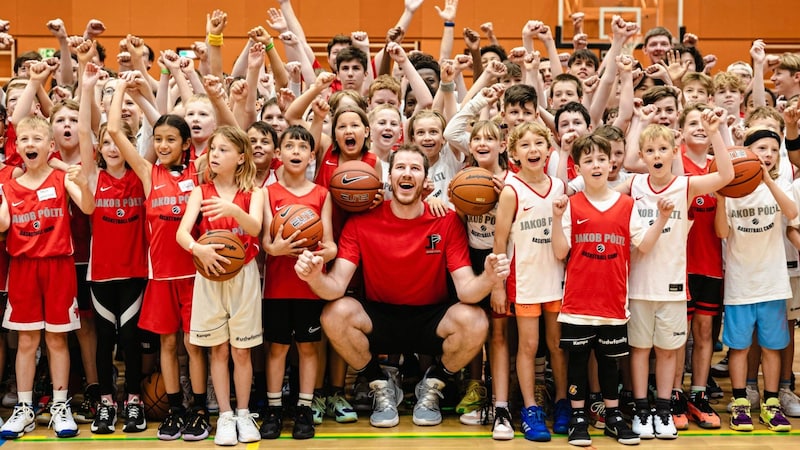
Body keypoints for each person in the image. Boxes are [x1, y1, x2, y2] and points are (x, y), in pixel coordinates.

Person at [294, 144, 510, 429]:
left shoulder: (445, 221)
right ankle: (379, 383)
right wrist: (313, 277)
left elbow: (467, 290)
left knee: (476, 320)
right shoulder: (361, 221)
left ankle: (433, 385)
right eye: (400, 167)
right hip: (380, 318)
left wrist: (490, 277)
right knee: (334, 313)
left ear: (424, 179)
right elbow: (335, 287)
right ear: (389, 177)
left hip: (430, 318)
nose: (407, 173)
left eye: (415, 168)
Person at [550, 133, 674, 447]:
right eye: (588, 160)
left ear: (611, 163)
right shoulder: (572, 205)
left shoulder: (627, 205)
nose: (596, 165)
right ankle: (579, 417)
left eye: (601, 159)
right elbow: (560, 251)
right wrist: (555, 217)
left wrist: (661, 219)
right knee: (577, 363)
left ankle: (614, 417)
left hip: (613, 302)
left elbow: (643, 244)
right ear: (577, 168)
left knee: (609, 363)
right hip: (578, 301)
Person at [108, 80, 210, 442]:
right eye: (158, 139)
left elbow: (227, 124)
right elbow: (114, 132)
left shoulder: (201, 172)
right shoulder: (150, 175)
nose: (163, 145)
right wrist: (120, 88)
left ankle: (199, 409)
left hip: (196, 277)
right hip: (162, 278)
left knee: (194, 346)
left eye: (170, 139)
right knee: (168, 345)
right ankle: (175, 410)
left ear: (186, 144)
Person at [619, 115, 733, 440]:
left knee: (668, 351)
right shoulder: (633, 185)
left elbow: (727, 175)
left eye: (663, 149)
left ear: (674, 152)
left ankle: (664, 409)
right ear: (641, 157)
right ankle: (642, 409)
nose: (656, 155)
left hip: (672, 286)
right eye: (650, 150)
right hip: (639, 285)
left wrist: (714, 135)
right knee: (640, 350)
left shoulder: (685, 186)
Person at [0, 116, 95, 439]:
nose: (30, 145)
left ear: (49, 146)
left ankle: (59, 404)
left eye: (37, 140)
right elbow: (1, 225)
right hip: (24, 268)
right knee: (27, 341)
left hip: (58, 266)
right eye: (24, 140)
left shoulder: (60, 178)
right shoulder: (7, 186)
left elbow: (88, 205)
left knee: (56, 339)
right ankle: (24, 408)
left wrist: (81, 182)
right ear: (16, 147)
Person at [177, 126, 264, 446]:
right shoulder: (200, 191)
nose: (215, 155)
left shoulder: (256, 191)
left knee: (242, 352)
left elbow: (255, 227)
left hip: (243, 274)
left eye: (224, 150)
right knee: (218, 348)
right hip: (210, 274)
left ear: (241, 157)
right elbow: (182, 234)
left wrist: (234, 210)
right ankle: (225, 416)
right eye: (213, 149)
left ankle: (243, 413)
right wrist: (197, 249)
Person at [77, 63, 148, 434]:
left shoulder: (141, 176)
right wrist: (87, 88)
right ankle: (106, 402)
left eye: (115, 141)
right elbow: (87, 133)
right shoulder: (94, 176)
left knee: (131, 340)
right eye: (103, 143)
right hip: (101, 275)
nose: (109, 147)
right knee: (105, 341)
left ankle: (133, 400)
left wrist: (127, 94)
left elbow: (135, 131)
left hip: (136, 272)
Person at [260, 125, 338, 440]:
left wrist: (319, 257)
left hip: (310, 287)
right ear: (278, 154)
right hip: (277, 286)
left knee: (308, 348)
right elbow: (267, 242)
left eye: (302, 147)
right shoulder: (268, 192)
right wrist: (275, 249)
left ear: (311, 156)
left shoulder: (322, 194)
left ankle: (304, 408)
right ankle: (275, 409)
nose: (295, 152)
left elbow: (331, 245)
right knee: (277, 348)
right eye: (289, 146)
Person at [493, 122, 569, 441]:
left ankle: (564, 403)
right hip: (524, 280)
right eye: (524, 145)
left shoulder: (558, 187)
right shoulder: (511, 190)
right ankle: (529, 409)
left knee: (557, 345)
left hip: (555, 278)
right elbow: (498, 245)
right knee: (528, 346)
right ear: (513, 154)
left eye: (539, 143)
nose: (533, 149)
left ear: (549, 150)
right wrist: (498, 285)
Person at [719, 127, 798, 432]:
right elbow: (722, 233)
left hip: (773, 282)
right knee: (739, 348)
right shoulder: (732, 191)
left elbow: (791, 212)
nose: (768, 154)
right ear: (747, 152)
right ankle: (740, 403)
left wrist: (766, 179)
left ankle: (771, 403)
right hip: (740, 284)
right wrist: (722, 195)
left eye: (774, 150)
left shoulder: (780, 187)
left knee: (772, 347)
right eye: (762, 148)